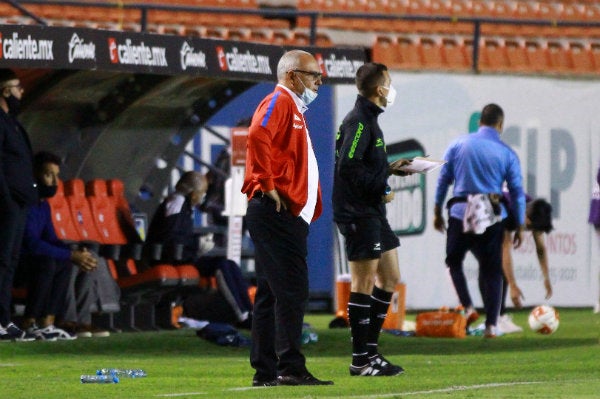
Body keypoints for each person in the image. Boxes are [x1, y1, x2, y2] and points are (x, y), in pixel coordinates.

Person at [241, 49, 332, 387]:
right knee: (292, 291)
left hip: (279, 213)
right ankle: (290, 366)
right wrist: (267, 183)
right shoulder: (279, 102)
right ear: (292, 75)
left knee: (271, 293)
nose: (319, 82)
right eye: (313, 75)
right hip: (276, 211)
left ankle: (265, 370)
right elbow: (256, 135)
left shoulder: (292, 107)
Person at [332, 62, 412, 377]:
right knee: (363, 283)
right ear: (379, 89)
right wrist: (381, 183)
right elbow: (348, 168)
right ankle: (360, 360)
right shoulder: (360, 122)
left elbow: (362, 165)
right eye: (389, 82)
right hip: (358, 213)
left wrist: (389, 169)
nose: (391, 88)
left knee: (390, 277)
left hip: (372, 211)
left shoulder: (369, 121)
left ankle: (371, 352)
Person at [433, 103, 526, 338]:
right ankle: (492, 326)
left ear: (479, 122)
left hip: (460, 210)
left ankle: (468, 306)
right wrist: (520, 224)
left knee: (453, 262)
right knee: (492, 270)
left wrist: (436, 210)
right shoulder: (506, 153)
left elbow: (443, 180)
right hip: (490, 214)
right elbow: (516, 191)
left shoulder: (458, 144)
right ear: (500, 124)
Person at [145, 171, 253, 326]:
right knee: (222, 265)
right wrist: (197, 245)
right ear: (192, 192)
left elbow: (178, 237)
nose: (202, 197)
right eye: (201, 193)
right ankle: (242, 314)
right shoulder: (176, 204)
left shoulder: (181, 203)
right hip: (173, 259)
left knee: (229, 263)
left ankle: (249, 309)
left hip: (182, 256)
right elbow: (170, 238)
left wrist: (198, 243)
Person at [18, 152, 98, 340]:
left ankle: (47, 323)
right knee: (49, 263)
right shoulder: (23, 204)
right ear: (34, 176)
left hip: (35, 261)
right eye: (49, 175)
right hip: (18, 265)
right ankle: (29, 322)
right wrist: (69, 255)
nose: (55, 182)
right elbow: (31, 243)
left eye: (57, 175)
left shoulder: (43, 205)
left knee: (66, 262)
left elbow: (51, 238)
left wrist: (75, 253)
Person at [0, 69, 38, 342]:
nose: (21, 92)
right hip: (7, 204)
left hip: (20, 202)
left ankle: (3, 319)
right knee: (1, 261)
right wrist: (6, 200)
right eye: (17, 87)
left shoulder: (12, 122)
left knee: (10, 262)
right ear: (4, 91)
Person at [481, 196, 554, 334]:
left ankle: (498, 318)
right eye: (531, 227)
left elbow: (540, 248)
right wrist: (513, 286)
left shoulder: (534, 210)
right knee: (491, 265)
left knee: (497, 267)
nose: (531, 230)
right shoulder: (508, 211)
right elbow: (505, 250)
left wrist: (546, 277)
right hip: (473, 217)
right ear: (525, 215)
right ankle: (494, 319)